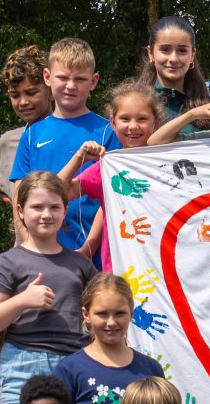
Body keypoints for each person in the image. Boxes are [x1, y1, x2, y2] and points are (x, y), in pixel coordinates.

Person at [0, 172, 97, 404]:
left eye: (54, 207)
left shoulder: (80, 264)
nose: (46, 214)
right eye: (37, 207)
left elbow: (101, 312)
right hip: (22, 362)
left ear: (65, 210)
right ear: (20, 210)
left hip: (74, 365)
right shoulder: (9, 262)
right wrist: (22, 300)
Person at [8, 38, 118, 252]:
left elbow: (113, 197)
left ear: (93, 81)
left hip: (93, 255)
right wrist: (31, 245)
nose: (70, 86)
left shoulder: (108, 131)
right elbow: (19, 196)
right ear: (47, 77)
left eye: (80, 79)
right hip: (42, 254)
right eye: (63, 78)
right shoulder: (31, 135)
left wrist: (89, 248)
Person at [53, 273, 166, 404]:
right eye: (102, 314)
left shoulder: (150, 369)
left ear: (131, 312)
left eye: (119, 313)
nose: (111, 322)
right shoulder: (69, 369)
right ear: (86, 314)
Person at [63, 83, 163, 271]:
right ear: (113, 122)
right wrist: (78, 158)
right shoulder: (108, 168)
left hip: (163, 269)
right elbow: (60, 193)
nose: (133, 126)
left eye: (142, 119)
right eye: (125, 119)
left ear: (156, 123)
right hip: (119, 273)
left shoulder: (169, 164)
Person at [0, 45, 53, 206]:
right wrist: (18, 205)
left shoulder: (70, 134)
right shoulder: (9, 141)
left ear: (50, 91)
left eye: (31, 93)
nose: (23, 102)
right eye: (14, 95)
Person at [139, 16, 210, 121]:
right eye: (165, 49)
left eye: (182, 51)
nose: (173, 59)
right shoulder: (134, 107)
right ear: (151, 53)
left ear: (192, 55)